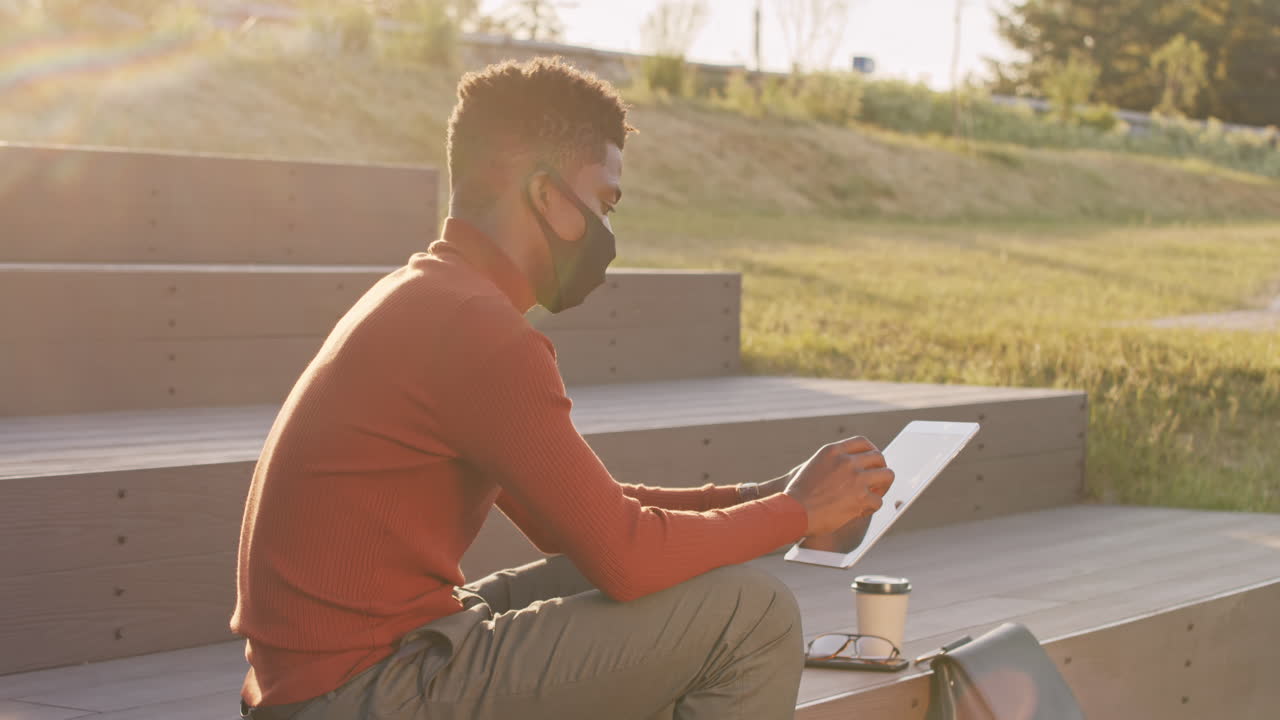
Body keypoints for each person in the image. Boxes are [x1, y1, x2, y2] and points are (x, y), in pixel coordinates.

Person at [232, 57, 894, 720]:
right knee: (752, 616)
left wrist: (763, 499)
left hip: (345, 673)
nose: (608, 234)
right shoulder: (477, 330)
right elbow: (627, 555)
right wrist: (798, 514)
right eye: (603, 204)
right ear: (545, 193)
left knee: (668, 577)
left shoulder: (432, 297)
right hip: (358, 692)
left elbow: (575, 523)